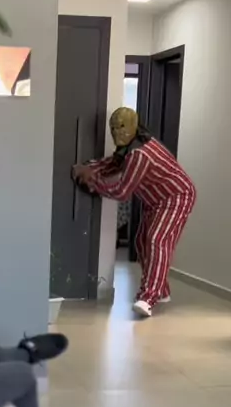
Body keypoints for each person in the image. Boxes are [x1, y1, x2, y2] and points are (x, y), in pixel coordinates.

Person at [73, 107, 196, 318]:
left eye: (121, 127)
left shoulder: (140, 154)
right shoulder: (128, 148)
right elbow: (113, 164)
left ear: (132, 126)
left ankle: (148, 298)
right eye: (113, 128)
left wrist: (93, 182)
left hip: (177, 196)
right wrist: (87, 168)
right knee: (140, 242)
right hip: (155, 199)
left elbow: (122, 192)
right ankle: (162, 291)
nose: (117, 132)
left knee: (157, 240)